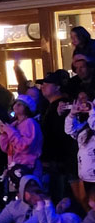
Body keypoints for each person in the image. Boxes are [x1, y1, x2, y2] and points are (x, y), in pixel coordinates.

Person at [38, 69, 76, 202]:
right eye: (42, 84)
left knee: (61, 197)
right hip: (53, 160)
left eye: (47, 84)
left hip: (60, 161)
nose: (43, 86)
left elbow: (61, 134)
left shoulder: (63, 106)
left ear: (57, 86)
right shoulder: (48, 107)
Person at [0, 94, 43, 196]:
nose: (16, 106)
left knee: (30, 196)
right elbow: (5, 148)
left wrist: (10, 131)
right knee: (16, 198)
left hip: (28, 168)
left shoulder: (30, 123)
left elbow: (24, 146)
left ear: (26, 108)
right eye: (16, 104)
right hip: (14, 168)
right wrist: (4, 134)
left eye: (20, 104)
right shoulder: (14, 124)